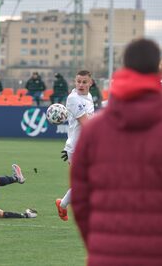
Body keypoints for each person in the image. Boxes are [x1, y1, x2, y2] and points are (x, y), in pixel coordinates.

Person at [70, 39, 162, 265]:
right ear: (158, 69)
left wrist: (98, 244)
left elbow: (80, 200)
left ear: (124, 68)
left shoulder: (94, 132)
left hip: (107, 255)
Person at [54, 70, 94, 221]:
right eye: (78, 81)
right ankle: (66, 205)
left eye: (84, 82)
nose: (81, 85)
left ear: (91, 82)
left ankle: (63, 204)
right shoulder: (73, 99)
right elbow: (86, 124)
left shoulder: (88, 97)